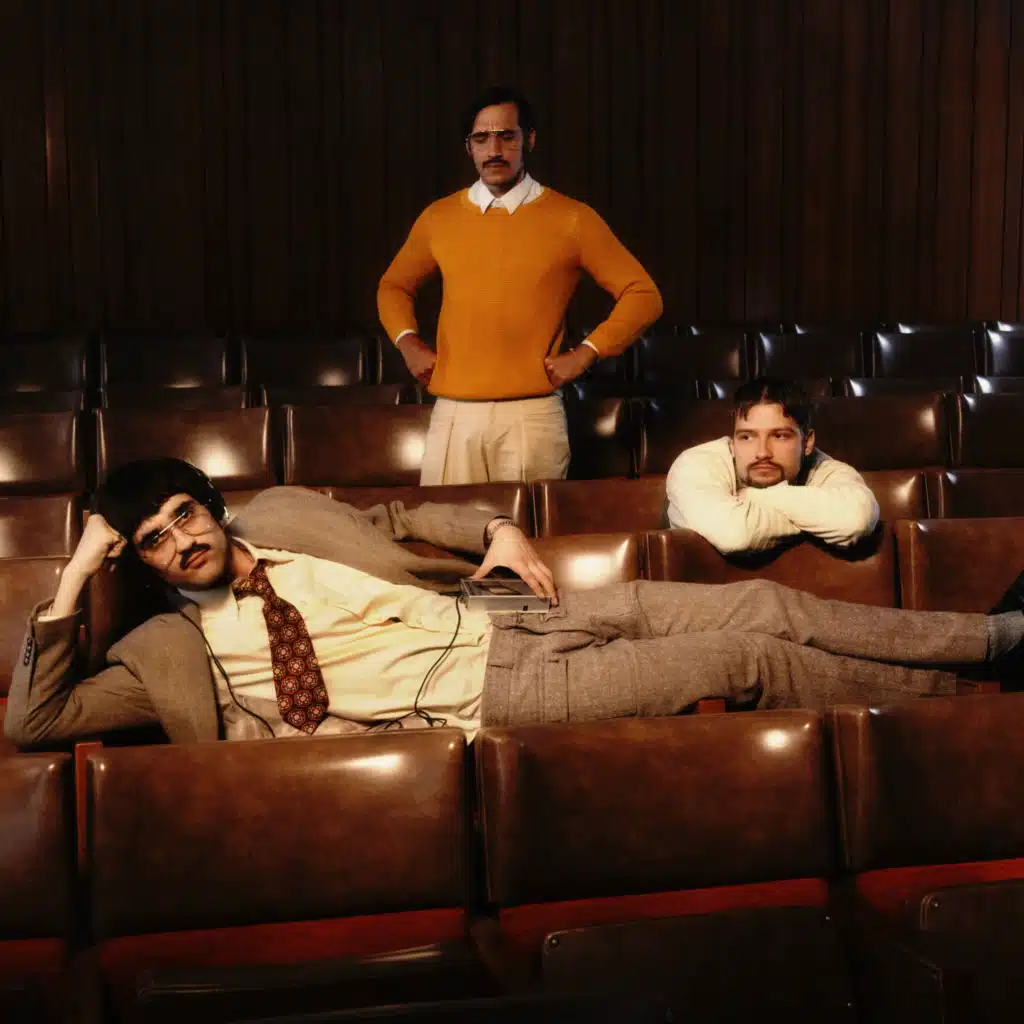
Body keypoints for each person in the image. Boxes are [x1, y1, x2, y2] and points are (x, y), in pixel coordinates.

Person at [5, 458, 1023, 749]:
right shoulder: (165, 651)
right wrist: (76, 576)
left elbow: (400, 512)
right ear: (142, 560)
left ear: (212, 506)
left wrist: (495, 527)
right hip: (496, 695)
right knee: (742, 660)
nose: (182, 540)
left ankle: (995, 637)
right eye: (155, 539)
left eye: (185, 514)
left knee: (760, 602)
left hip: (514, 612)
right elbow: (34, 722)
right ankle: (981, 710)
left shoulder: (284, 514)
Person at [376, 85, 663, 486]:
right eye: (481, 138)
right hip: (454, 412)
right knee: (441, 525)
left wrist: (586, 353)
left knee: (530, 527)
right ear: (468, 147)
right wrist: (408, 343)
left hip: (533, 414)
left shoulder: (572, 219)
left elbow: (643, 295)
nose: (494, 149)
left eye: (506, 136)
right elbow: (393, 286)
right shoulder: (438, 217)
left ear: (529, 139)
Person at [666, 378, 880, 554]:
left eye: (780, 436)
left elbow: (854, 521)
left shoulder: (823, 468)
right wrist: (816, 521)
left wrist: (749, 497)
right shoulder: (696, 464)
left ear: (807, 442)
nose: (762, 453)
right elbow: (734, 535)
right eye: (747, 437)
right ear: (733, 442)